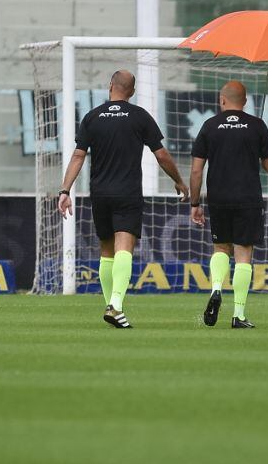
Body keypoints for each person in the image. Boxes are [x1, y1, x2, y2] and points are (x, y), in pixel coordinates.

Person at [57, 70, 189, 328]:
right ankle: (115, 305)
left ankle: (112, 307)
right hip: (127, 192)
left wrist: (65, 190)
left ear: (110, 86)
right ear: (132, 91)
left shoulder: (92, 117)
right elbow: (161, 155)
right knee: (124, 249)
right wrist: (179, 180)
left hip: (100, 193)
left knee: (106, 252)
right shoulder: (139, 116)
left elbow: (77, 156)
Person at [189, 80, 268, 329]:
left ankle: (216, 289)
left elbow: (196, 170)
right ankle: (238, 314)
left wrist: (195, 202)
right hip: (248, 197)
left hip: (218, 196)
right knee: (243, 255)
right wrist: (262, 150)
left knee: (220, 248)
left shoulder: (210, 125)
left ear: (222, 99)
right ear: (245, 101)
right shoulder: (257, 126)